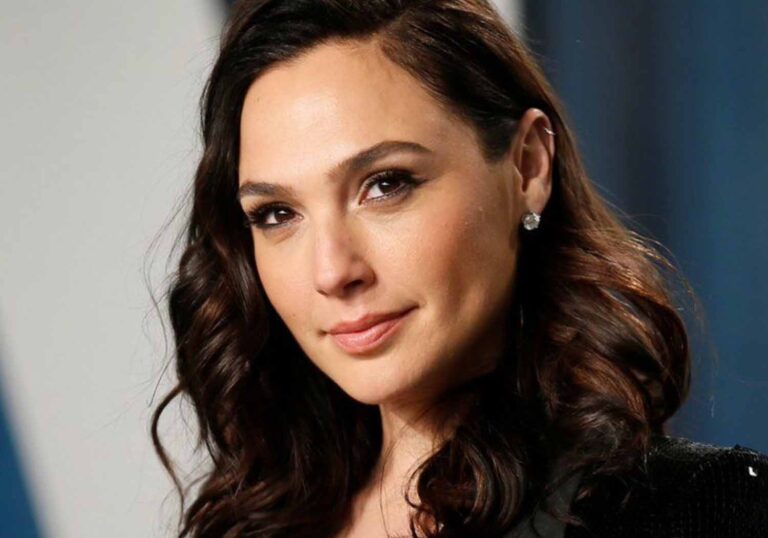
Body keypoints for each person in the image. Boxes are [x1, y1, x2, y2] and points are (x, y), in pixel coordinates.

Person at [151, 1, 768, 536]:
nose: (332, 271)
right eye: (278, 214)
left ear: (528, 166)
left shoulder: (705, 511)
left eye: (386, 184)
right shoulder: (249, 525)